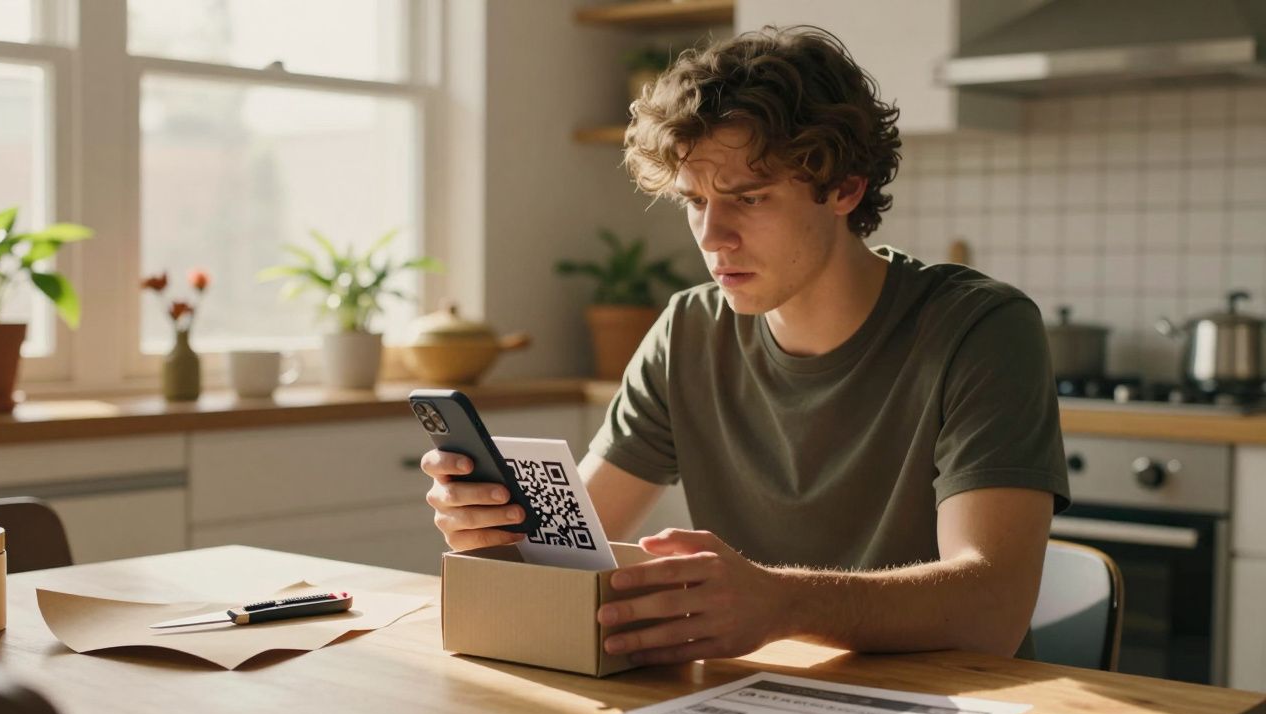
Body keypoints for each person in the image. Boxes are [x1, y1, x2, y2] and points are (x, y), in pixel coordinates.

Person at [422, 25, 1069, 666]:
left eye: (748, 198)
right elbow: (568, 546)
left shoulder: (980, 328)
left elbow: (992, 607)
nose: (712, 235)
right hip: (756, 699)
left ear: (845, 188)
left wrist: (782, 602)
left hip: (954, 706)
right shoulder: (688, 331)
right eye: (694, 200)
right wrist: (500, 534)